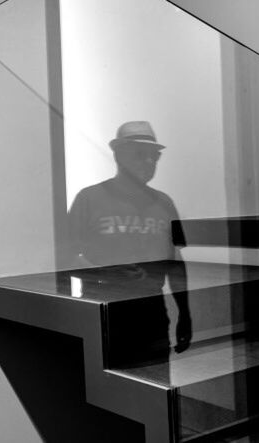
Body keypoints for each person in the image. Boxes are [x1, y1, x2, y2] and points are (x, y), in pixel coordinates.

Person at [68, 120, 191, 355]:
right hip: (102, 310)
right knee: (105, 387)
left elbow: (175, 263)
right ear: (118, 155)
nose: (149, 161)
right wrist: (104, 273)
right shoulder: (89, 198)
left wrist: (185, 314)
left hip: (152, 312)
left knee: (155, 384)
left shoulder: (164, 203)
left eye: (154, 156)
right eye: (140, 154)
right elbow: (64, 257)